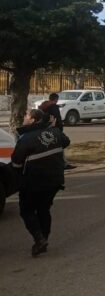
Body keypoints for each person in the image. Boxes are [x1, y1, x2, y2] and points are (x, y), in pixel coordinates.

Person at [11, 108, 71, 257]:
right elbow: (66, 141)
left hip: (34, 182)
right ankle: (44, 239)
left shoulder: (26, 138)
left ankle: (39, 239)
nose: (24, 118)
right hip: (54, 180)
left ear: (32, 120)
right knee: (44, 209)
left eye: (26, 116)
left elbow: (16, 161)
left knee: (27, 210)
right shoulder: (54, 132)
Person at [38, 93, 75, 170]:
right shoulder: (54, 107)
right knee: (60, 145)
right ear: (56, 99)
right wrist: (60, 128)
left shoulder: (43, 105)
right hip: (54, 129)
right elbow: (57, 118)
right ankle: (63, 163)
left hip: (45, 129)